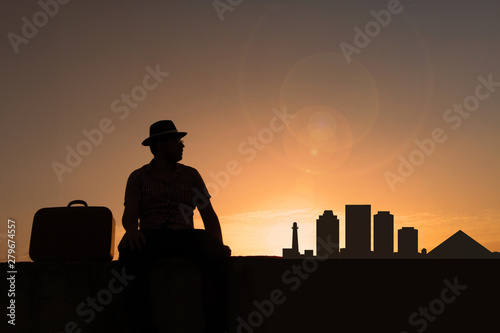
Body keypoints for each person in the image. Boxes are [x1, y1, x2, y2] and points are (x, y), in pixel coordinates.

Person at [118, 120, 231, 333]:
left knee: (218, 257)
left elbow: (209, 215)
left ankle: (217, 328)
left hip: (184, 235)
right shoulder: (137, 177)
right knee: (127, 255)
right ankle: (141, 328)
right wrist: (131, 230)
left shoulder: (191, 175)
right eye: (177, 141)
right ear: (161, 145)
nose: (182, 145)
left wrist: (218, 245)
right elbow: (130, 216)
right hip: (150, 236)